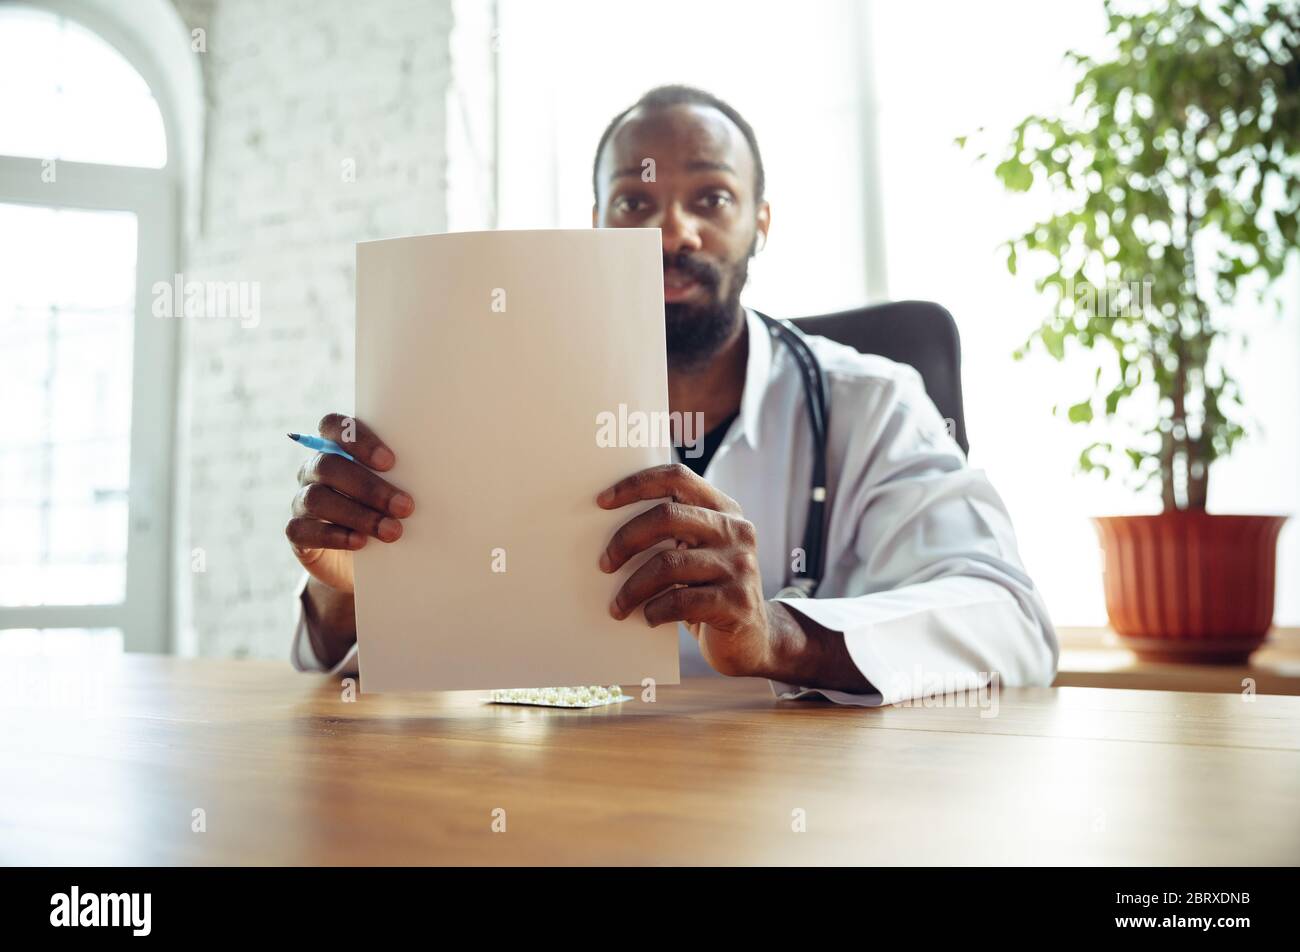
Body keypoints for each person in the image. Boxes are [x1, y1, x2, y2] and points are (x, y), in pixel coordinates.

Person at [285, 85, 1058, 706]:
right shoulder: (481, 403)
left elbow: (1011, 622)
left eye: (713, 198)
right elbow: (363, 680)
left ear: (761, 221)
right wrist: (353, 591)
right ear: (595, 225)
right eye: (634, 203)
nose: (673, 230)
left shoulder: (873, 404)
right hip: (571, 800)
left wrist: (782, 636)